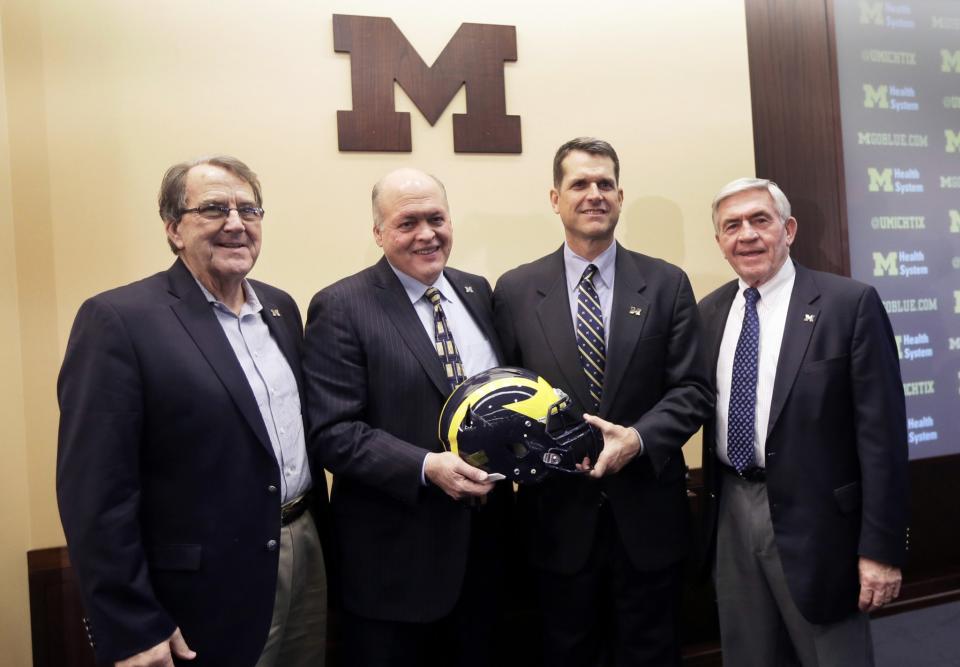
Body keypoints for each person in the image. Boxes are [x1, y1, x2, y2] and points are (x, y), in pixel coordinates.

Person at [56, 156, 328, 667]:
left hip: (305, 554)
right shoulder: (118, 320)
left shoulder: (281, 308)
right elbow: (94, 491)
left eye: (249, 209)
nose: (235, 223)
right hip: (201, 591)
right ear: (173, 229)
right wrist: (130, 624)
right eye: (212, 209)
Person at [492, 137, 712, 666]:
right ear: (555, 198)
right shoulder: (516, 290)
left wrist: (637, 439)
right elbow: (504, 397)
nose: (594, 194)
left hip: (648, 518)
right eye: (579, 184)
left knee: (652, 652)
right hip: (557, 521)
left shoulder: (665, 284)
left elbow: (693, 390)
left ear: (619, 195)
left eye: (605, 184)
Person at [302, 168, 510, 667]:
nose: (426, 234)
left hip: (485, 555)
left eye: (436, 218)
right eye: (406, 222)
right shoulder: (341, 306)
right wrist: (426, 466)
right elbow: (333, 433)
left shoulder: (477, 291)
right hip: (393, 567)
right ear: (378, 233)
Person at [698, 177, 909, 666]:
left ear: (788, 229)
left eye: (760, 220)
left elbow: (883, 440)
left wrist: (881, 549)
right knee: (748, 654)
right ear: (720, 243)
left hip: (821, 528)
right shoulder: (708, 313)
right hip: (731, 512)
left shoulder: (848, 305)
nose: (746, 235)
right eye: (732, 225)